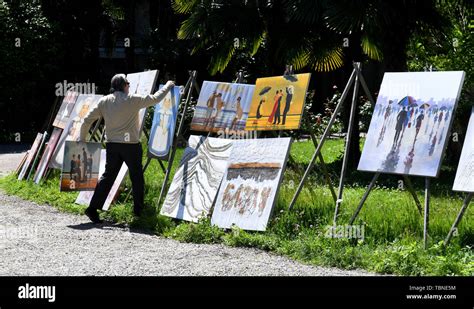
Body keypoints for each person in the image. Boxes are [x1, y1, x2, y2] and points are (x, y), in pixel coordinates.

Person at [79, 74, 175, 223]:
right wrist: (168, 85)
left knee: (108, 177)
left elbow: (86, 120)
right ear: (124, 86)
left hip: (112, 145)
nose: (129, 86)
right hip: (131, 146)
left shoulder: (104, 101)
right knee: (136, 177)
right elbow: (156, 98)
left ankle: (92, 208)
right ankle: (137, 211)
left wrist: (82, 139)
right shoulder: (133, 100)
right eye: (128, 84)